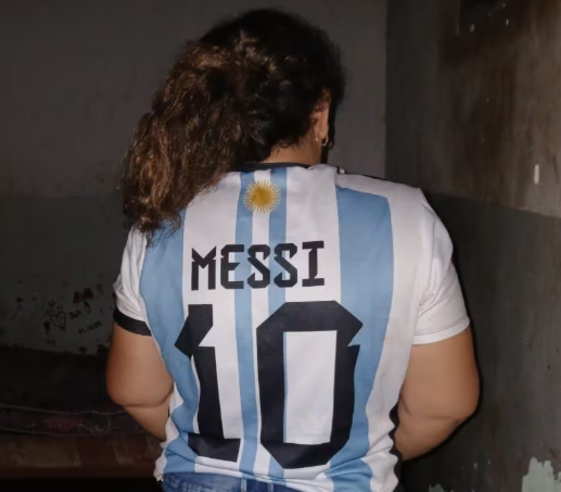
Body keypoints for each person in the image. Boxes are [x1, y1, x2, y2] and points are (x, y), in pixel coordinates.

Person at [107, 9, 479, 492]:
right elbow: (444, 405)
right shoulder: (407, 218)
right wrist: (363, 455)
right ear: (320, 113)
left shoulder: (158, 227)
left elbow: (135, 392)